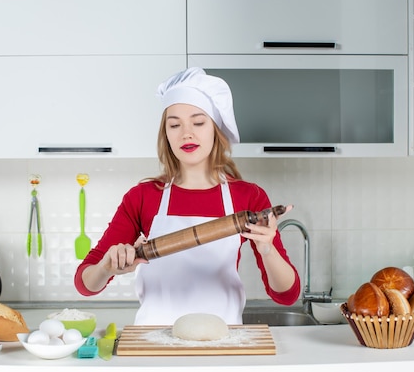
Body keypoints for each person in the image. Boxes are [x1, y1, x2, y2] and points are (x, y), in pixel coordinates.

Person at [74, 67, 300, 325]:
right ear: (166, 134)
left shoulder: (248, 197)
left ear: (215, 128)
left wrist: (267, 249)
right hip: (154, 345)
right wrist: (107, 267)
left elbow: (287, 295)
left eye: (198, 122)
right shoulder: (143, 197)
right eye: (174, 125)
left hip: (221, 344)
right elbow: (85, 283)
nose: (186, 133)